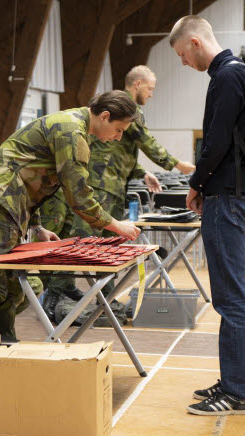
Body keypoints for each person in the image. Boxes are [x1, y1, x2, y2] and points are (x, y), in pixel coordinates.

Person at [0, 90, 143, 341]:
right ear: (105, 116)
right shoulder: (71, 131)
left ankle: (3, 343)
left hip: (12, 201)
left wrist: (36, 226)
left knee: (10, 279)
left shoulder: (76, 127)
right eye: (119, 130)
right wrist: (115, 225)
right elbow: (78, 195)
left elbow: (34, 176)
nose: (118, 137)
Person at [42, 65, 197, 325]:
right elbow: (146, 141)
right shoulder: (123, 108)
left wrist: (141, 172)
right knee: (82, 241)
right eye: (150, 88)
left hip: (114, 184)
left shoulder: (125, 114)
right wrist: (175, 164)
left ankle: (104, 296)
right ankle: (58, 295)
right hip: (99, 184)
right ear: (136, 84)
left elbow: (122, 150)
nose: (151, 94)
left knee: (108, 245)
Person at [169, 15, 245, 415]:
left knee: (231, 299)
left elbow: (218, 141)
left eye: (181, 55)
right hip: (237, 195)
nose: (183, 64)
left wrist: (197, 184)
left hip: (228, 199)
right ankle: (231, 381)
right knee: (229, 296)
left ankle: (237, 392)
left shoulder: (226, 77)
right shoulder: (243, 73)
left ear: (194, 42)